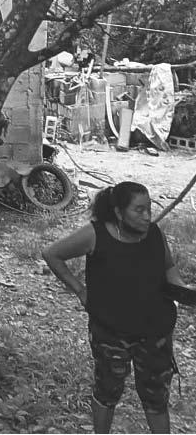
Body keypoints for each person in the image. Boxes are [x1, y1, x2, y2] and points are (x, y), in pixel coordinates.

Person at [42, 181, 186, 434]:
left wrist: (184, 291)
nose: (147, 216)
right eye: (139, 210)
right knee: (107, 391)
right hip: (111, 333)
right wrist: (80, 291)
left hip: (155, 333)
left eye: (149, 209)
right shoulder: (96, 235)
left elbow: (169, 268)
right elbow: (52, 254)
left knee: (156, 398)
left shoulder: (154, 233)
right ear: (119, 212)